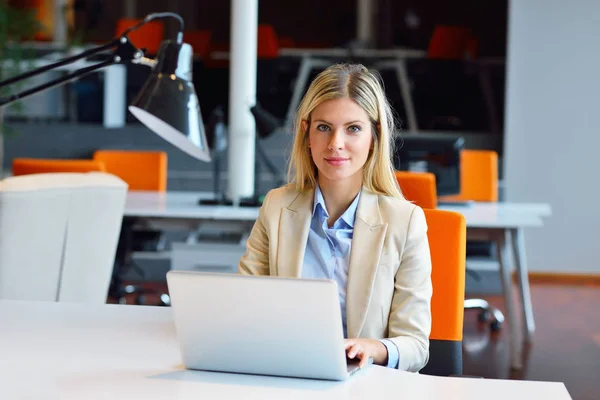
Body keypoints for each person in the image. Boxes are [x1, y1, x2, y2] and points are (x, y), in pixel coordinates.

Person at [238, 63, 432, 373]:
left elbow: (416, 346)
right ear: (307, 133)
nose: (335, 143)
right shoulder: (276, 207)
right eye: (324, 127)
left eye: (353, 128)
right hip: (286, 375)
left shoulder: (404, 221)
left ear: (375, 136)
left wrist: (373, 347)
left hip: (367, 386)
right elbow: (243, 305)